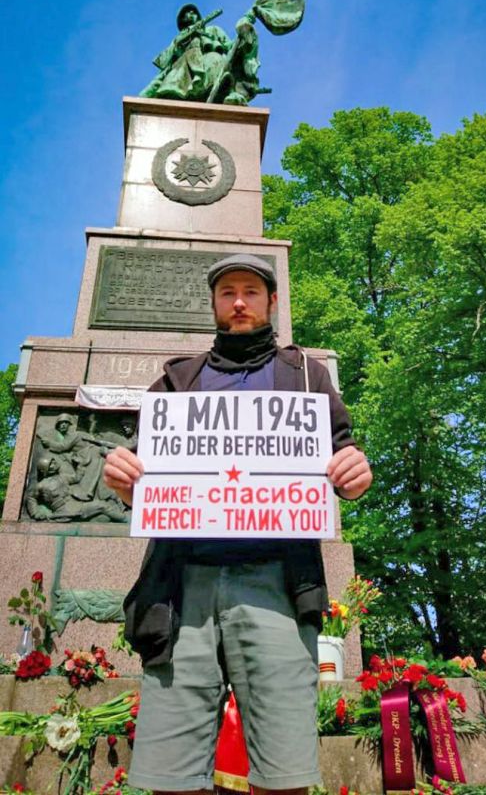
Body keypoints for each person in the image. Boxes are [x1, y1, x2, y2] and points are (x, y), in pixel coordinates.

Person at [103, 254, 372, 795]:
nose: (240, 302)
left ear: (272, 302)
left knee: (285, 772)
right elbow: (143, 466)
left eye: (251, 291)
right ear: (215, 305)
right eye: (228, 293)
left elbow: (342, 456)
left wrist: (353, 471)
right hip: (182, 589)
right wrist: (123, 472)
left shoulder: (305, 377)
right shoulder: (178, 381)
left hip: (276, 581)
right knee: (172, 777)